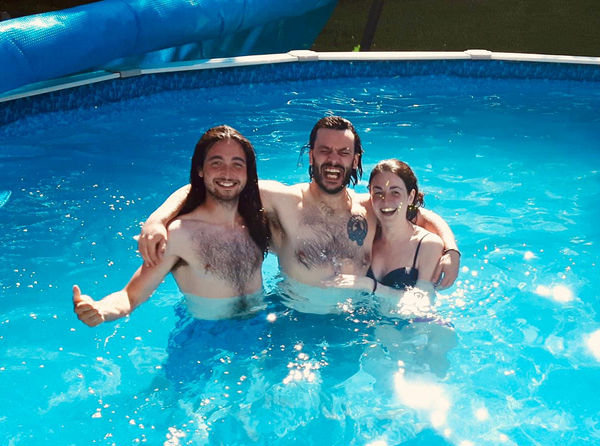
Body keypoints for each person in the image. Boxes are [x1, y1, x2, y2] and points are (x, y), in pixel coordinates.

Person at [137, 116, 461, 290]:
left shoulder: (371, 206)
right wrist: (156, 221)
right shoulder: (283, 200)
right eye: (325, 151)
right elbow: (215, 184)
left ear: (355, 160)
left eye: (343, 153)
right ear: (311, 154)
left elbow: (419, 214)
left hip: (354, 322)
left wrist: (450, 250)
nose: (333, 160)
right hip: (294, 323)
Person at [73, 125, 270, 326]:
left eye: (237, 164)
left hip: (261, 323)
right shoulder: (180, 234)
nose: (227, 173)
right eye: (216, 162)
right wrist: (102, 310)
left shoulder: (258, 221)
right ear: (200, 170)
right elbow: (131, 295)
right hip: (208, 338)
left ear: (248, 173)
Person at [323, 159, 444, 299]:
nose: (386, 200)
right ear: (370, 195)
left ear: (410, 197)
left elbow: (422, 303)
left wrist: (371, 286)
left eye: (395, 193)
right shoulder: (365, 237)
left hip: (414, 321)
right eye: (378, 192)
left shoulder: (428, 245)